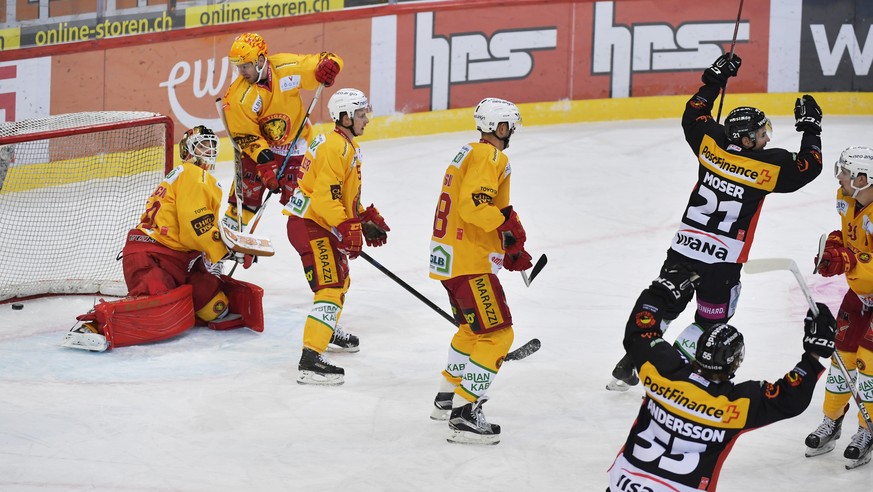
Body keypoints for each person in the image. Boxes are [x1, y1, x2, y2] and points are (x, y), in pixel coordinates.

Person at [607, 52, 824, 391]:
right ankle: (672, 370)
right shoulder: (770, 167)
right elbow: (811, 165)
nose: (767, 138)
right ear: (747, 139)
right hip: (722, 262)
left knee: (666, 303)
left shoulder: (710, 142)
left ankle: (634, 360)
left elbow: (693, 113)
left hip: (685, 246)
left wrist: (714, 81)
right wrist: (810, 128)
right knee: (712, 320)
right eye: (761, 134)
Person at [608, 264, 836, 491]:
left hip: (624, 484)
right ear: (734, 362)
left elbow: (639, 331)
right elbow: (789, 399)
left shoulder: (661, 371)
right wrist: (813, 355)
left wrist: (659, 293)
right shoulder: (733, 406)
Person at [61, 126, 266, 351]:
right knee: (156, 309)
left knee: (216, 308)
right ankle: (93, 326)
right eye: (201, 144)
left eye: (211, 145)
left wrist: (223, 250)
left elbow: (198, 227)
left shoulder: (194, 177)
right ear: (188, 151)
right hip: (150, 257)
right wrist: (224, 251)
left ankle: (187, 305)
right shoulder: (192, 174)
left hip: (180, 259)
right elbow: (195, 225)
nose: (208, 150)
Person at [426, 97, 533, 445]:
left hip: (452, 259)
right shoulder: (490, 156)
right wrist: (506, 230)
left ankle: (447, 398)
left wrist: (506, 244)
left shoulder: (467, 153)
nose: (512, 132)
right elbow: (476, 207)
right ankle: (464, 414)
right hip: (470, 263)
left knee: (471, 331)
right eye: (510, 126)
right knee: (498, 336)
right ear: (501, 128)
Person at [282, 88, 389, 385]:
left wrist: (362, 218)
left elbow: (341, 197)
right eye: (359, 114)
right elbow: (323, 200)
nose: (365, 119)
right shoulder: (335, 147)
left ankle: (327, 327)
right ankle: (310, 359)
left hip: (319, 222)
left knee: (341, 279)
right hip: (310, 223)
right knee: (330, 286)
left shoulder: (344, 145)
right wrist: (346, 226)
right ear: (344, 117)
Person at [220, 32, 343, 233]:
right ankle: (220, 253)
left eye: (245, 65)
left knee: (304, 204)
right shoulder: (238, 97)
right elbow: (246, 136)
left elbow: (326, 59)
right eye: (238, 66)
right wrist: (265, 161)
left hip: (297, 145)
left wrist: (330, 66)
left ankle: (324, 240)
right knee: (243, 204)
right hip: (261, 151)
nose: (241, 71)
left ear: (261, 60)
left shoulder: (287, 68)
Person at [804, 146, 873, 462]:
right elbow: (845, 235)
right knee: (841, 360)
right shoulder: (847, 198)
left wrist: (846, 260)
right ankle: (832, 421)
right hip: (858, 296)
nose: (839, 177)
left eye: (844, 172)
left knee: (869, 367)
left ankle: (868, 429)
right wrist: (833, 248)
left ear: (862, 178)